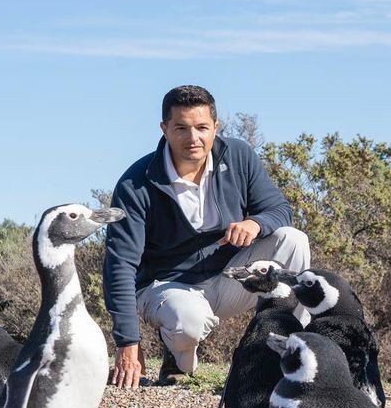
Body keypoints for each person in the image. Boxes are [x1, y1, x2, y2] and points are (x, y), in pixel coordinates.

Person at [103, 85, 310, 388]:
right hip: (167, 288)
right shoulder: (136, 184)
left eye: (202, 127)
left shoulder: (238, 156)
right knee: (187, 323)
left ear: (216, 126)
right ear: (164, 129)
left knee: (293, 240)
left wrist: (255, 223)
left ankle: (288, 353)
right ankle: (177, 357)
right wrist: (128, 343)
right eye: (181, 128)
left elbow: (278, 210)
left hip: (230, 278)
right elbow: (119, 265)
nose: (193, 138)